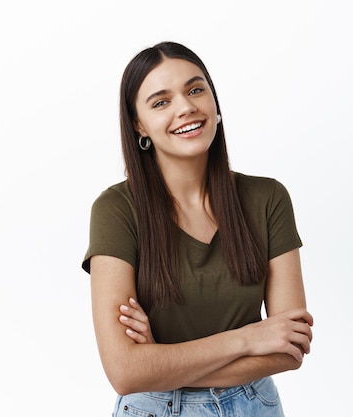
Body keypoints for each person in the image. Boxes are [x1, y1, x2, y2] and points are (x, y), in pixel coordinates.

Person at [82, 41, 313, 417]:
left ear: (214, 101)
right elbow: (125, 372)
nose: (186, 107)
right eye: (161, 102)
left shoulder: (268, 198)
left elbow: (290, 349)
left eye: (195, 89)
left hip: (254, 406)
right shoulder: (116, 210)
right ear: (139, 124)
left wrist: (161, 359)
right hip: (155, 408)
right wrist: (248, 338)